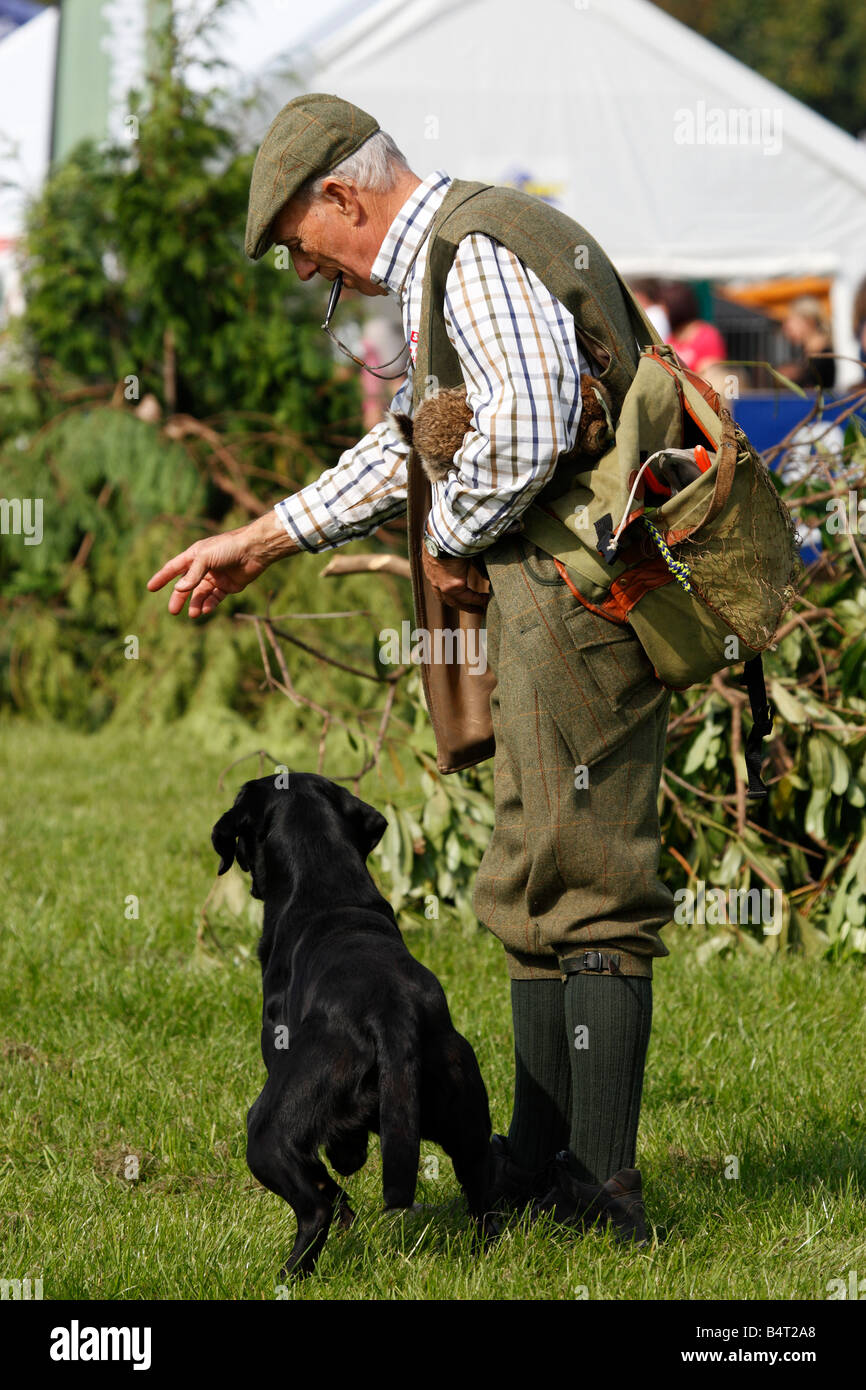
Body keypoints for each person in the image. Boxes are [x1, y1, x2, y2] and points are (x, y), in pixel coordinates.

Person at [148, 94, 675, 1245]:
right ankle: (538, 1165)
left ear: (341, 192)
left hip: (584, 605)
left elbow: (529, 429)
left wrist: (447, 534)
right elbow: (405, 449)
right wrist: (265, 537)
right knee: (533, 876)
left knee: (586, 886)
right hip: (551, 603)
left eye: (298, 243)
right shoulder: (452, 264)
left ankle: (600, 1195)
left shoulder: (468, 250)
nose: (305, 270)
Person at [661, 280, 728, 394]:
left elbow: (710, 375)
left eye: (664, 308)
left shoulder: (707, 335)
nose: (662, 313)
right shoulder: (671, 338)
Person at [779, 296, 836, 391]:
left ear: (809, 321)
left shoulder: (823, 354)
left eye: (790, 321)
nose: (786, 328)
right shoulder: (807, 353)